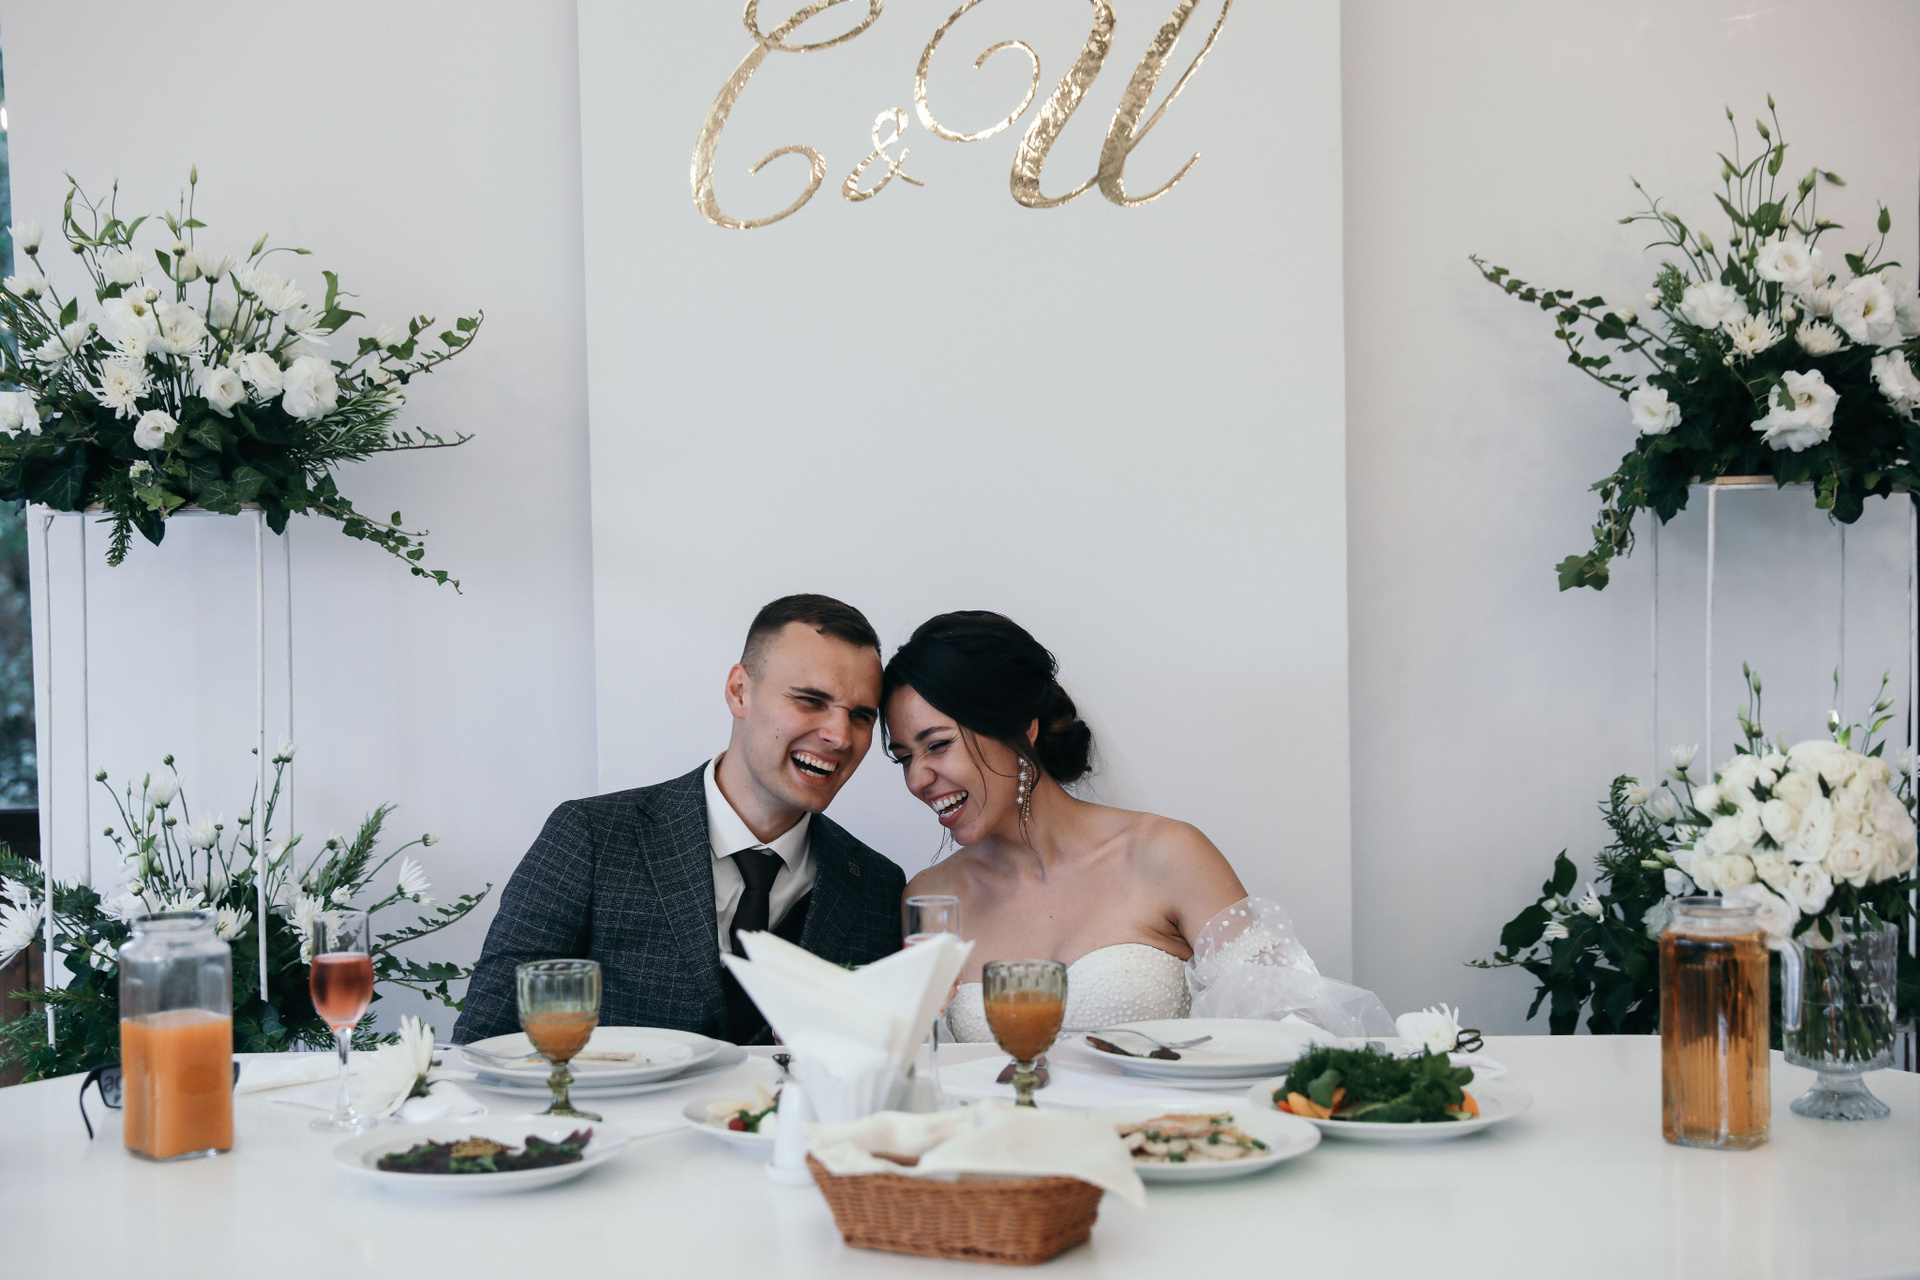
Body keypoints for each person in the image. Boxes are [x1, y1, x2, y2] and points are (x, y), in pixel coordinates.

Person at [454, 594, 907, 1046]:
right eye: (810, 700)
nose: (839, 736)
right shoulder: (590, 836)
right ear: (739, 691)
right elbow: (484, 1042)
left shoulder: (877, 886)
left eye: (861, 716)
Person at [883, 611, 1247, 1041]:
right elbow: (920, 1061)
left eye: (938, 745)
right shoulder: (931, 900)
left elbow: (1278, 1029)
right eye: (904, 758)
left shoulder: (1167, 854)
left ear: (1022, 726)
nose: (916, 780)